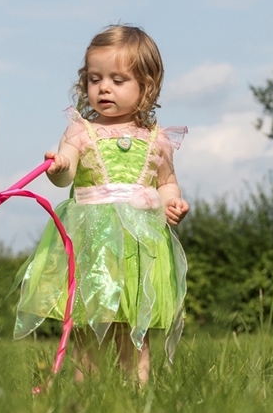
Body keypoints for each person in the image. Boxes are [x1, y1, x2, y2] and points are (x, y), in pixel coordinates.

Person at [14, 25, 190, 385]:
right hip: (94, 243)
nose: (104, 87)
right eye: (95, 79)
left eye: (118, 79)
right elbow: (65, 175)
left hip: (139, 247)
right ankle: (83, 393)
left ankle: (137, 396)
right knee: (88, 331)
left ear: (147, 85)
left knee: (133, 332)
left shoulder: (157, 141)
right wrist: (59, 168)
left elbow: (166, 182)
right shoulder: (81, 131)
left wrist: (174, 203)